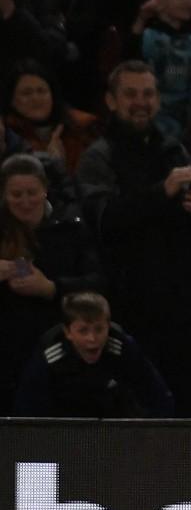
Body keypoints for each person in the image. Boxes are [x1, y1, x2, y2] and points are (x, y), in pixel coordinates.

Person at [76, 60, 191, 417]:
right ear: (110, 100)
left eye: (148, 93)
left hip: (182, 312)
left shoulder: (173, 149)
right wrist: (162, 191)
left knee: (187, 409)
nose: (140, 102)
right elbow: (104, 220)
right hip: (129, 312)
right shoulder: (98, 156)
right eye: (130, 94)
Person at [0, 154, 102, 413]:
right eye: (16, 194)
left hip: (58, 349)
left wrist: (52, 288)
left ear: (45, 189)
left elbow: (98, 281)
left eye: (32, 192)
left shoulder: (71, 229)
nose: (25, 202)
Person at [13, 291, 173, 417]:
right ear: (68, 332)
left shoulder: (121, 346)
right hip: (62, 430)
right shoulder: (51, 354)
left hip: (114, 429)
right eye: (83, 330)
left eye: (99, 329)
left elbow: (157, 395)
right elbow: (28, 407)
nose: (92, 338)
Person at [131, 0, 191, 142]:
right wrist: (141, 18)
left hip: (183, 125)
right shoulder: (150, 37)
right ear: (157, 3)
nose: (187, 1)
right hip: (151, 122)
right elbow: (131, 61)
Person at [2, 58, 99, 175]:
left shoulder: (82, 127)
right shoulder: (6, 136)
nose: (36, 98)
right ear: (11, 100)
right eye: (26, 93)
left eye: (41, 91)